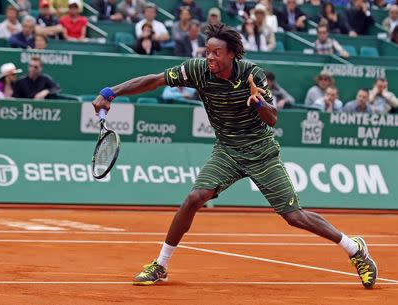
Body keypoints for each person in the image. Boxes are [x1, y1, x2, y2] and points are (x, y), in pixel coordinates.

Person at [91, 22, 378, 289]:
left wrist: (259, 102)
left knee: (294, 216)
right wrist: (110, 92)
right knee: (194, 198)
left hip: (261, 152)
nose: (210, 58)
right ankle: (161, 264)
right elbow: (154, 80)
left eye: (216, 53)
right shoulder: (197, 70)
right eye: (207, 52)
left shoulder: (252, 74)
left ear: (232, 55)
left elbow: (273, 119)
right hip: (227, 150)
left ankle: (354, 249)